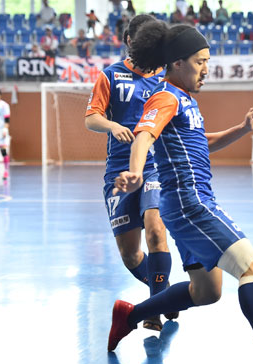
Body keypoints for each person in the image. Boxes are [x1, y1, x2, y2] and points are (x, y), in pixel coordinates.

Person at [108, 21, 253, 364]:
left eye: (207, 61)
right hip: (191, 202)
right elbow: (144, 135)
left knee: (206, 292)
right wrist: (134, 172)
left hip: (183, 205)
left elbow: (201, 141)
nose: (206, 69)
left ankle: (130, 315)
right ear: (177, 63)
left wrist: (242, 128)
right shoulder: (165, 97)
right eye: (200, 61)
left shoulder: (184, 101)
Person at [85, 14, 176, 332]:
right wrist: (112, 125)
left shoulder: (165, 78)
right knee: (130, 254)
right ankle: (164, 292)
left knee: (155, 230)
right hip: (118, 170)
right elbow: (91, 118)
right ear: (130, 42)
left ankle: (154, 308)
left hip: (154, 166)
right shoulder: (110, 75)